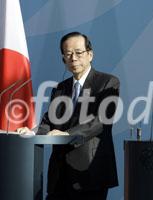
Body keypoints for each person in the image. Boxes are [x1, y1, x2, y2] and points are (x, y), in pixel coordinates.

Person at [17, 32, 119, 200]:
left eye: (79, 52)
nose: (73, 58)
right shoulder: (60, 88)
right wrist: (31, 133)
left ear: (90, 54)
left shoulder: (108, 82)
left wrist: (67, 134)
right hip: (60, 174)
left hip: (90, 172)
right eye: (68, 53)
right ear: (63, 58)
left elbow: (100, 121)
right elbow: (49, 122)